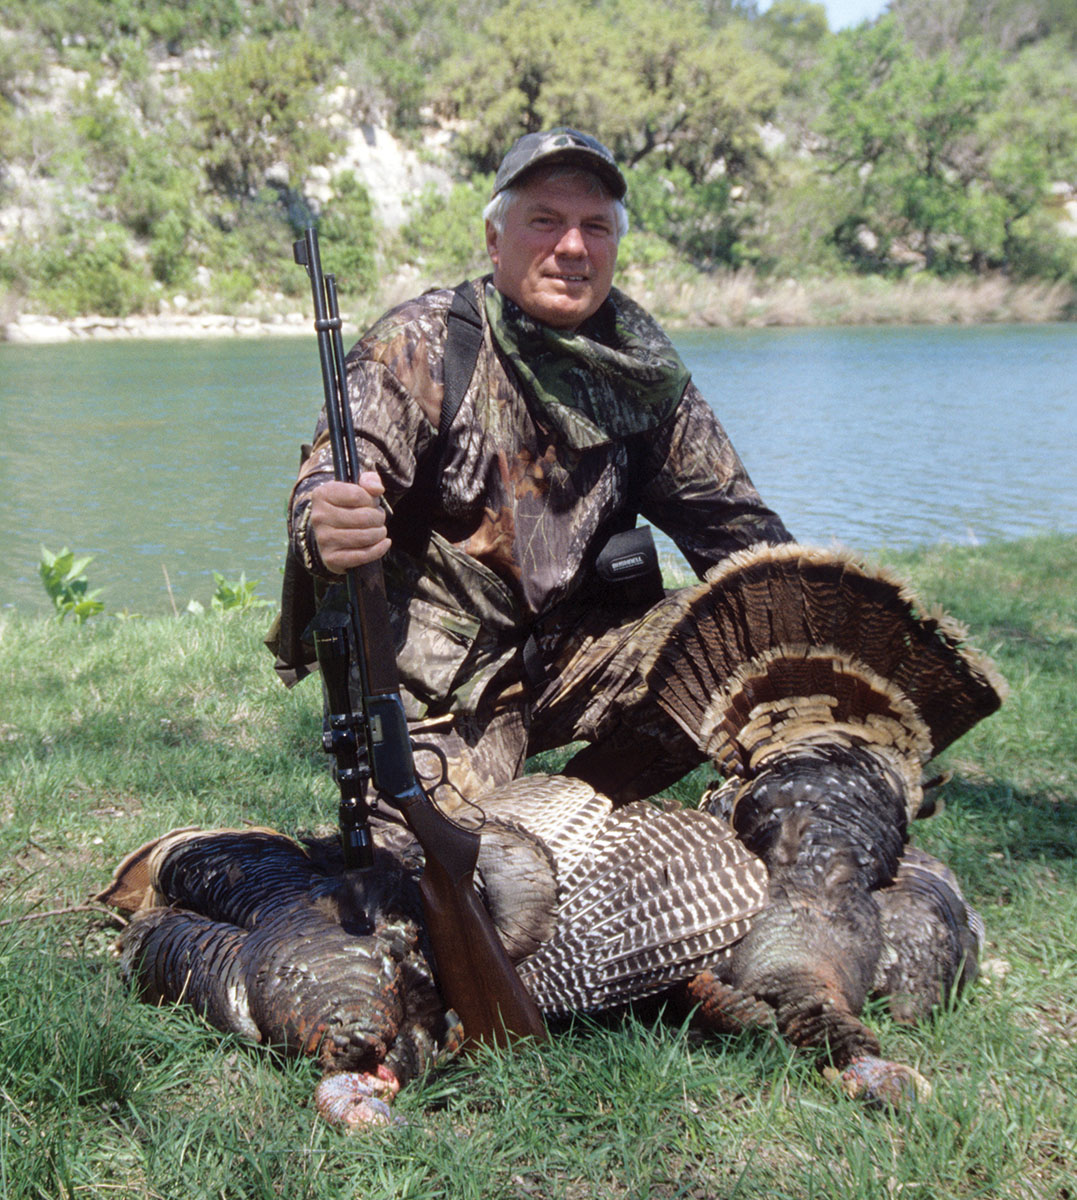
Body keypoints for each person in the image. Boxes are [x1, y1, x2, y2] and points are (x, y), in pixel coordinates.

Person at [280, 127, 792, 813]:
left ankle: (582, 807)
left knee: (740, 644)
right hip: (444, 684)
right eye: (544, 221)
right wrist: (326, 522)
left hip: (574, 654)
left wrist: (821, 632)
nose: (573, 246)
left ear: (614, 245)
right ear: (495, 241)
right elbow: (331, 477)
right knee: (440, 860)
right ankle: (515, 817)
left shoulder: (640, 370)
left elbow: (738, 530)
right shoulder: (419, 343)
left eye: (595, 227)